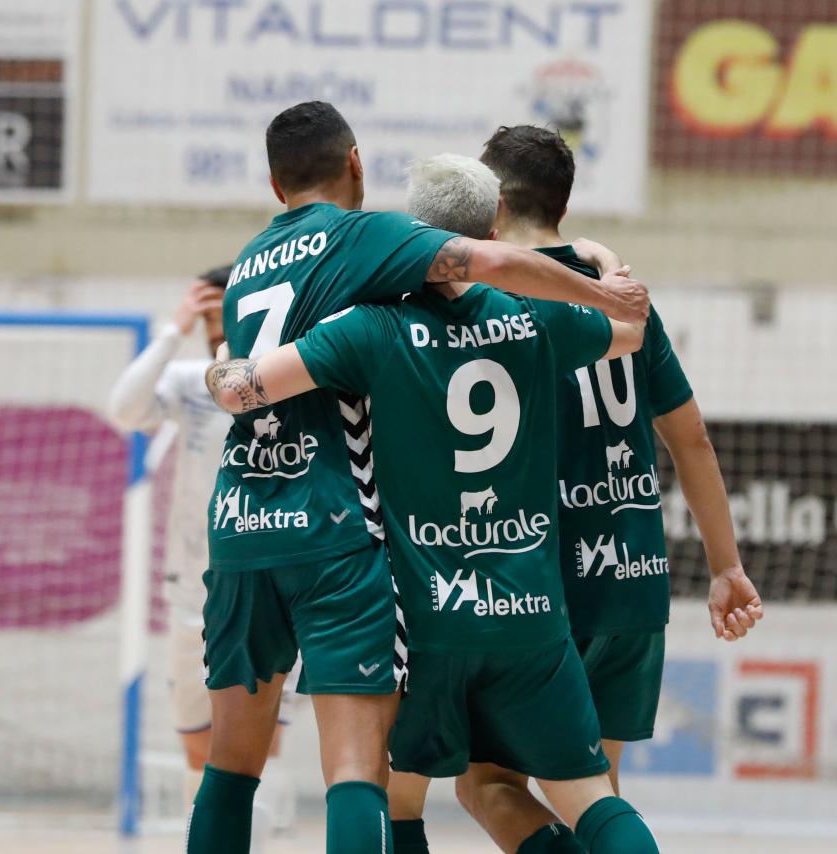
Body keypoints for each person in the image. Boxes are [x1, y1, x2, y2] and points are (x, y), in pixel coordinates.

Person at [190, 102, 649, 854]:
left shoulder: (267, 276)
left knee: (237, 767)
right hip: (375, 546)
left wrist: (216, 372)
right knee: (361, 773)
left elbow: (245, 388)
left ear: (276, 186)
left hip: (261, 529)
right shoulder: (488, 302)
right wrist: (605, 280)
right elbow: (603, 320)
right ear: (357, 166)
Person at [452, 125, 764, 854]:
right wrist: (726, 567)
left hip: (535, 582)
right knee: (595, 797)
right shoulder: (624, 295)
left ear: (492, 204)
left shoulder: (485, 290)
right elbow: (692, 440)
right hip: (631, 580)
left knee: (486, 785)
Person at [107, 270, 294, 845]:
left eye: (225, 318)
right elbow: (124, 408)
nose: (219, 332)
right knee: (200, 750)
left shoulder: (289, 375)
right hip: (194, 594)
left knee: (257, 747)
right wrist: (173, 329)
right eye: (210, 321)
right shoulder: (191, 380)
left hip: (272, 589)